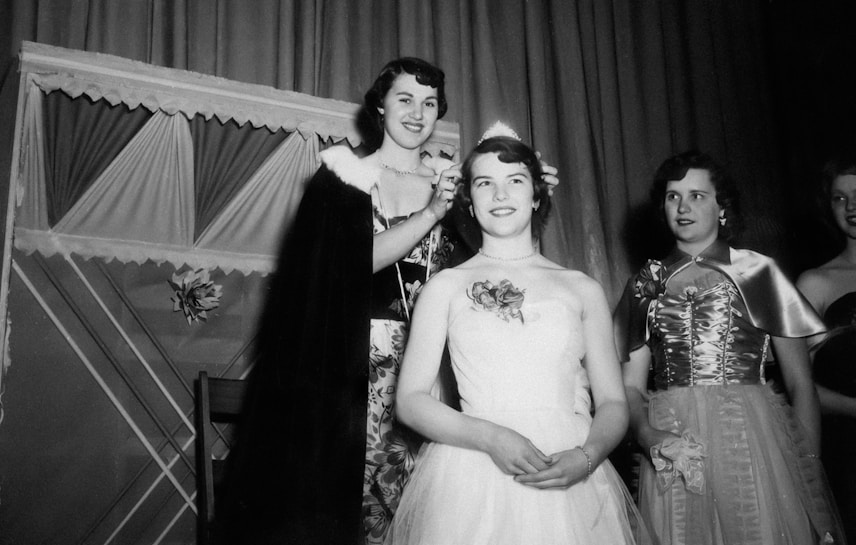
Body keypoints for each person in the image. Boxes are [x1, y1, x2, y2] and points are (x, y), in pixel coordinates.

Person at [213, 59, 557, 544]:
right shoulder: (343, 178)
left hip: (442, 371)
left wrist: (524, 193)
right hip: (351, 369)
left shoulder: (457, 186)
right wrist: (432, 212)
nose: (418, 113)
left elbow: (497, 262)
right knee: (353, 508)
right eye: (405, 99)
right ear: (379, 106)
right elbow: (341, 266)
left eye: (430, 103)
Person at [385, 129, 644, 545]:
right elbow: (411, 401)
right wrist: (492, 437)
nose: (500, 195)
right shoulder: (446, 286)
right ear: (469, 200)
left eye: (516, 182)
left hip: (571, 471)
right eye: (485, 183)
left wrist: (587, 457)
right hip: (472, 470)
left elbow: (613, 402)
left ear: (537, 196)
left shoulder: (581, 288)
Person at [615, 150, 844, 545]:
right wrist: (648, 433)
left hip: (750, 438)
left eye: (697, 195)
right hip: (674, 439)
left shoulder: (757, 271)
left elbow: (800, 385)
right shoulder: (645, 283)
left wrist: (807, 476)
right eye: (673, 197)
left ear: (723, 207)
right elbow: (631, 389)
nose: (683, 207)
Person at [797, 156, 856, 543]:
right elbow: (800, 386)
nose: (851, 207)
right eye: (839, 198)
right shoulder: (815, 283)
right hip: (848, 455)